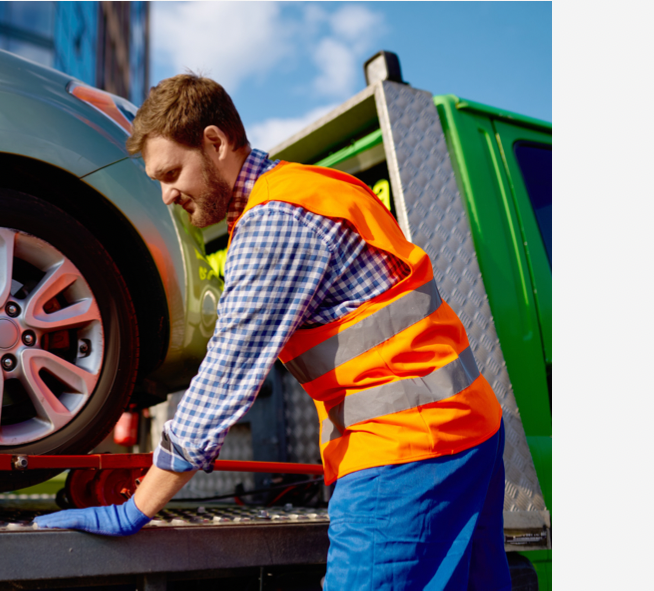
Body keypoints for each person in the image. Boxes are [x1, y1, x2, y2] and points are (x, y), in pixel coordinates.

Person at [35, 74, 511, 590]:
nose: (167, 194)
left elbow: (226, 377)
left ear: (214, 143)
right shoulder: (309, 188)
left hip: (410, 451)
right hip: (467, 428)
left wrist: (137, 508)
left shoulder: (275, 223)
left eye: (171, 172)